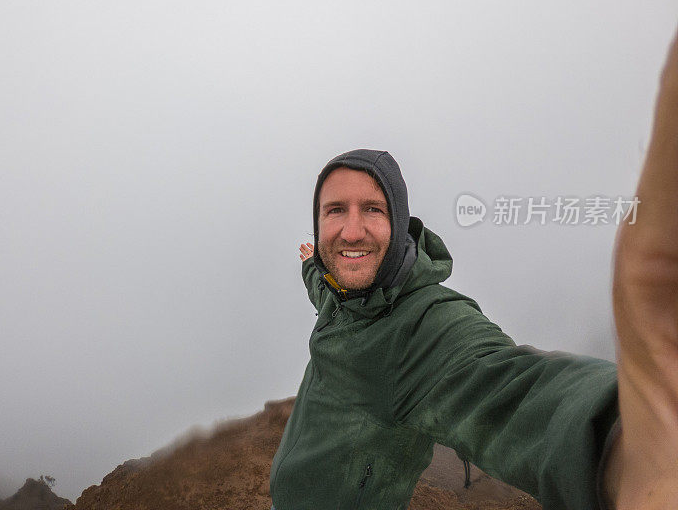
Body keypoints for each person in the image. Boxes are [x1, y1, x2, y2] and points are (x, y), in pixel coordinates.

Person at [269, 27, 678, 510]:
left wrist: (623, 447)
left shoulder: (424, 328)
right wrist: (310, 267)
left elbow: (508, 390)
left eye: (373, 210)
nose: (352, 231)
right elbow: (323, 287)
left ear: (399, 225)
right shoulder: (340, 292)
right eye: (335, 211)